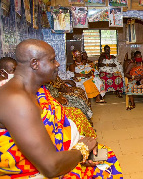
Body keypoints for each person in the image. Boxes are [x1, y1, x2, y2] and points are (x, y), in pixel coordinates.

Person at [0, 39, 122, 178]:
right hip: (42, 170)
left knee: (105, 155)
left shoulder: (38, 89)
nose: (57, 64)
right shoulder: (16, 101)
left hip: (63, 152)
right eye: (52, 60)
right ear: (35, 64)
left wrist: (81, 146)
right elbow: (51, 167)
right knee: (106, 169)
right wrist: (82, 149)